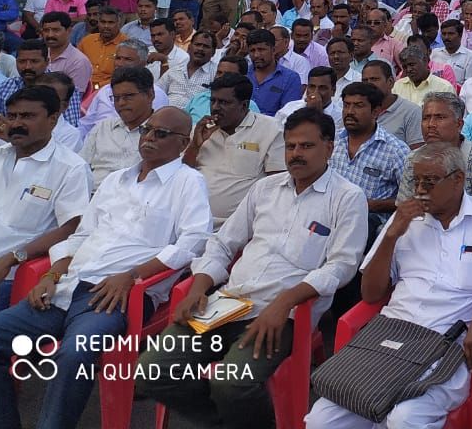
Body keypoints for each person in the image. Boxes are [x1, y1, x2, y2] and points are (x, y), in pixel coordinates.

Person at [0, 106, 210, 429]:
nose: (150, 138)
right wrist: (51, 275)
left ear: (183, 143)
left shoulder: (188, 182)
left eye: (161, 133)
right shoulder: (116, 180)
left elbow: (192, 242)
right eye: (147, 130)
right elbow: (81, 234)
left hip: (113, 297)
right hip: (67, 286)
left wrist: (133, 275)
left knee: (72, 355)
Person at [137, 107, 367, 428]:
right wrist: (199, 286)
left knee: (232, 383)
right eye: (290, 146)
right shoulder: (265, 189)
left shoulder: (347, 197)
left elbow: (342, 266)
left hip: (281, 316)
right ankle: (226, 422)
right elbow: (222, 243)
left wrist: (285, 302)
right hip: (228, 302)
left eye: (307, 146)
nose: (296, 154)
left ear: (329, 147)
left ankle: (237, 415)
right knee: (150, 371)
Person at [305, 141, 472, 429]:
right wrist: (391, 236)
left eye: (430, 181)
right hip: (389, 333)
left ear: (458, 180)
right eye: (416, 181)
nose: (421, 189)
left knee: (404, 419)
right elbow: (370, 293)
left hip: (446, 342)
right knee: (321, 419)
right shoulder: (405, 219)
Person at [0, 86, 89, 325]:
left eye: (27, 116)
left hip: (4, 276)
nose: (16, 123)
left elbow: (71, 228)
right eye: (12, 116)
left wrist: (10, 259)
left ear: (53, 119)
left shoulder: (70, 167)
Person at [183, 72, 287, 225]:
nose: (215, 108)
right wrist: (195, 146)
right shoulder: (202, 129)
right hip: (191, 220)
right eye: (213, 101)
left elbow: (278, 185)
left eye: (224, 102)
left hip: (238, 227)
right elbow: (182, 174)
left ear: (244, 105)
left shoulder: (271, 129)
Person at [331, 81, 411, 234]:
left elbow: (409, 200)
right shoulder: (331, 142)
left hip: (370, 225)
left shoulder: (396, 150)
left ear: (375, 112)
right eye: (346, 105)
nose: (350, 111)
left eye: (358, 106)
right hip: (327, 216)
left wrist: (370, 205)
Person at [80, 65, 165, 187]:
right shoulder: (103, 128)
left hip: (136, 200)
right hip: (94, 196)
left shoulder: (163, 133)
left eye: (128, 96)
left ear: (150, 95)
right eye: (116, 98)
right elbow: (82, 166)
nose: (121, 103)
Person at [0, 38, 83, 125]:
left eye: (34, 61)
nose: (27, 67)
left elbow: (70, 126)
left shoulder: (63, 88)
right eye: (22, 61)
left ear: (47, 62)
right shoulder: (7, 86)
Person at [246, 28, 302, 117]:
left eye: (261, 50)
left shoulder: (290, 79)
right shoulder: (243, 74)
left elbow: (288, 116)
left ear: (273, 50)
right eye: (252, 50)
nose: (256, 55)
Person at [76, 6, 126, 91]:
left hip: (109, 89)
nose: (106, 26)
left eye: (111, 23)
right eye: (103, 22)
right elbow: (75, 65)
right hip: (82, 87)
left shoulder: (126, 45)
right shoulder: (87, 40)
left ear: (118, 23)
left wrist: (96, 87)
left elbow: (124, 76)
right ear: (98, 23)